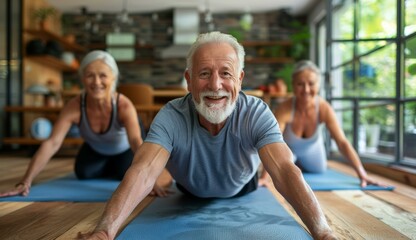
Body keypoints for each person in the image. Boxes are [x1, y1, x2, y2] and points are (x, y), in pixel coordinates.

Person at [78, 32, 336, 239]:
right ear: (188, 80)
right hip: (189, 191)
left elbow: (284, 170)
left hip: (242, 188)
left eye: (226, 73)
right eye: (204, 74)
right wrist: (104, 231)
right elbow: (143, 170)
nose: (215, 85)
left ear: (240, 79)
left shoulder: (256, 112)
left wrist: (323, 233)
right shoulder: (171, 115)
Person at [0, 50, 169, 198]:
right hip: (96, 148)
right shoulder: (74, 106)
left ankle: (117, 166)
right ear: (83, 78)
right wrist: (25, 181)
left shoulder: (123, 105)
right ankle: (109, 164)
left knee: (124, 174)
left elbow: (135, 141)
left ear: (113, 78)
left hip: (124, 149)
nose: (96, 82)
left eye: (103, 75)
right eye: (90, 75)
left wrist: (149, 179)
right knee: (83, 173)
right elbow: (52, 142)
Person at [259, 60, 382, 188]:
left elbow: (342, 142)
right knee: (285, 171)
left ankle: (301, 164)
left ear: (318, 85)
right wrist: (264, 178)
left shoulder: (324, 108)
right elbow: (272, 142)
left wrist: (362, 174)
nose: (306, 90)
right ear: (293, 85)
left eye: (311, 84)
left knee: (318, 170)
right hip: (289, 152)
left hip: (313, 151)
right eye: (300, 84)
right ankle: (296, 164)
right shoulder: (285, 108)